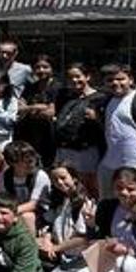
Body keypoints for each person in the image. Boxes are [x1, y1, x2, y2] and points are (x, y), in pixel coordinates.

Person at [97, 63, 136, 198]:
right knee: (108, 204)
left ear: (131, 80)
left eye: (120, 79)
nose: (115, 83)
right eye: (110, 80)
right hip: (109, 164)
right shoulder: (106, 101)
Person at [40, 165, 93, 272]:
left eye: (63, 178)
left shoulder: (84, 202)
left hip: (78, 258)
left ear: (74, 178)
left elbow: (82, 237)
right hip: (61, 255)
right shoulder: (59, 199)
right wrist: (47, 241)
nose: (59, 182)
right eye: (55, 179)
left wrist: (55, 248)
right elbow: (49, 224)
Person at [53, 62, 106, 194]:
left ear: (87, 77)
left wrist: (96, 118)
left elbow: (106, 126)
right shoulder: (65, 96)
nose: (74, 80)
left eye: (78, 76)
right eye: (70, 78)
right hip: (64, 149)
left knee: (88, 186)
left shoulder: (100, 98)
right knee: (66, 185)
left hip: (85, 152)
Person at [16, 55, 61, 167]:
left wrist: (29, 108)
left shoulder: (57, 87)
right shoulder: (31, 87)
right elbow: (19, 108)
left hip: (50, 137)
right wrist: (38, 107)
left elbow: (50, 112)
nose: (41, 70)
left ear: (52, 68)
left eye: (45, 67)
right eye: (37, 67)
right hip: (30, 135)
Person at [0, 140, 50, 232]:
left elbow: (33, 204)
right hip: (14, 210)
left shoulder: (40, 175)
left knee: (27, 217)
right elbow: (4, 198)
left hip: (40, 214)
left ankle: (30, 245)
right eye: (26, 160)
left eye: (32, 159)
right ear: (12, 162)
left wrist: (10, 212)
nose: (31, 163)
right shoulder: (5, 176)